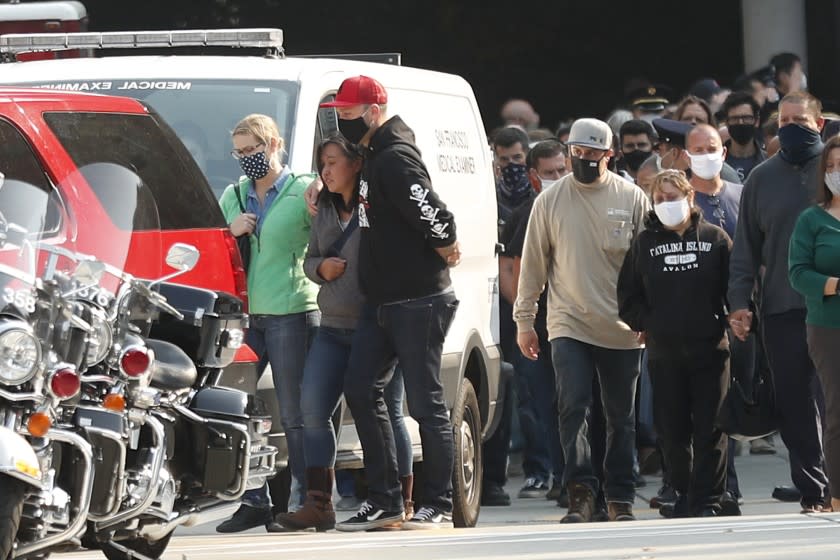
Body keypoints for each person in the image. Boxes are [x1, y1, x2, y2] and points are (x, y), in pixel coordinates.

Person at [318, 75, 461, 531]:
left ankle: (438, 501)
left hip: (419, 299)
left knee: (425, 404)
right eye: (338, 113)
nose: (342, 120)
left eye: (349, 113)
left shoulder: (395, 158)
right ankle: (384, 500)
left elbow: (435, 215)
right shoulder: (373, 156)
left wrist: (447, 243)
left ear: (374, 111)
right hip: (381, 302)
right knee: (360, 388)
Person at [271, 135, 416, 531]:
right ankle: (319, 503)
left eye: (333, 162)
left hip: (379, 328)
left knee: (389, 413)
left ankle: (400, 501)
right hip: (333, 328)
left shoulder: (378, 207)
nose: (326, 171)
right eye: (322, 164)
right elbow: (309, 259)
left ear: (356, 164)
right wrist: (321, 270)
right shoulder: (324, 210)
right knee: (312, 411)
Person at [514, 117, 649, 523]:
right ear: (568, 148)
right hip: (568, 321)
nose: (584, 160)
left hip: (623, 326)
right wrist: (525, 320)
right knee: (572, 406)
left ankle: (620, 495)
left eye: (593, 154)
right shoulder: (549, 202)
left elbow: (646, 265)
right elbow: (533, 265)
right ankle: (580, 493)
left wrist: (649, 315)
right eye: (578, 152)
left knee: (620, 417)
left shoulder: (632, 197)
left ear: (610, 154)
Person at [216, 113, 320, 532]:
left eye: (252, 150)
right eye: (239, 152)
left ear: (274, 144)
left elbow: (329, 233)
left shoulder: (302, 190)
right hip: (246, 317)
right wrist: (230, 231)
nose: (246, 159)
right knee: (232, 407)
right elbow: (213, 250)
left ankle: (298, 501)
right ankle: (254, 497)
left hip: (292, 311)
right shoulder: (234, 195)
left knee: (294, 414)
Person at [728, 91, 830, 513]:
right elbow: (745, 250)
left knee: (834, 400)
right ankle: (814, 490)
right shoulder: (760, 179)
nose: (791, 128)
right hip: (781, 308)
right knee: (793, 402)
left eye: (801, 121)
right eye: (784, 121)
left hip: (833, 307)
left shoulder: (836, 170)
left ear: (819, 124)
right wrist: (739, 302)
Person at [617, 169, 731, 517]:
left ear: (689, 197)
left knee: (712, 428)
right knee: (673, 429)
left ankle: (709, 499)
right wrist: (647, 324)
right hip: (664, 352)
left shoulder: (716, 239)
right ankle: (681, 493)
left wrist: (734, 319)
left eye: (673, 196)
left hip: (711, 348)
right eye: (661, 198)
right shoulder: (644, 244)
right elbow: (628, 296)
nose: (668, 203)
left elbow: (735, 289)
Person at [504, 140, 569, 503]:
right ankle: (559, 475)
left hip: (580, 323)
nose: (557, 177)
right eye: (549, 173)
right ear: (533, 176)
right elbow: (509, 270)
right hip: (542, 328)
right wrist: (526, 317)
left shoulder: (584, 206)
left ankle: (584, 476)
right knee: (548, 405)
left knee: (580, 404)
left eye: (562, 170)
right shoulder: (525, 215)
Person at [789, 135, 840, 514]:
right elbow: (797, 273)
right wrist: (833, 285)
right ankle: (837, 495)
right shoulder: (812, 219)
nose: (839, 173)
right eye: (833, 166)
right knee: (837, 412)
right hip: (828, 327)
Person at [722, 91, 767, 182]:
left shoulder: (767, 161)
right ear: (726, 123)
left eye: (746, 118)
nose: (740, 123)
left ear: (756, 121)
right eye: (735, 119)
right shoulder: (717, 162)